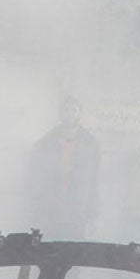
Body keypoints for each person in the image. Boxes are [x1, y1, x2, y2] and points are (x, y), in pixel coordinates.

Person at [27, 97, 100, 241]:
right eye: (66, 110)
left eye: (74, 110)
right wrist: (37, 207)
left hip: (77, 207)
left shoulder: (90, 143)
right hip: (51, 206)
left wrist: (93, 212)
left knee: (74, 250)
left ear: (80, 114)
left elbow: (94, 180)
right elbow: (36, 177)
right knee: (49, 249)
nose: (70, 114)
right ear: (60, 113)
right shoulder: (46, 142)